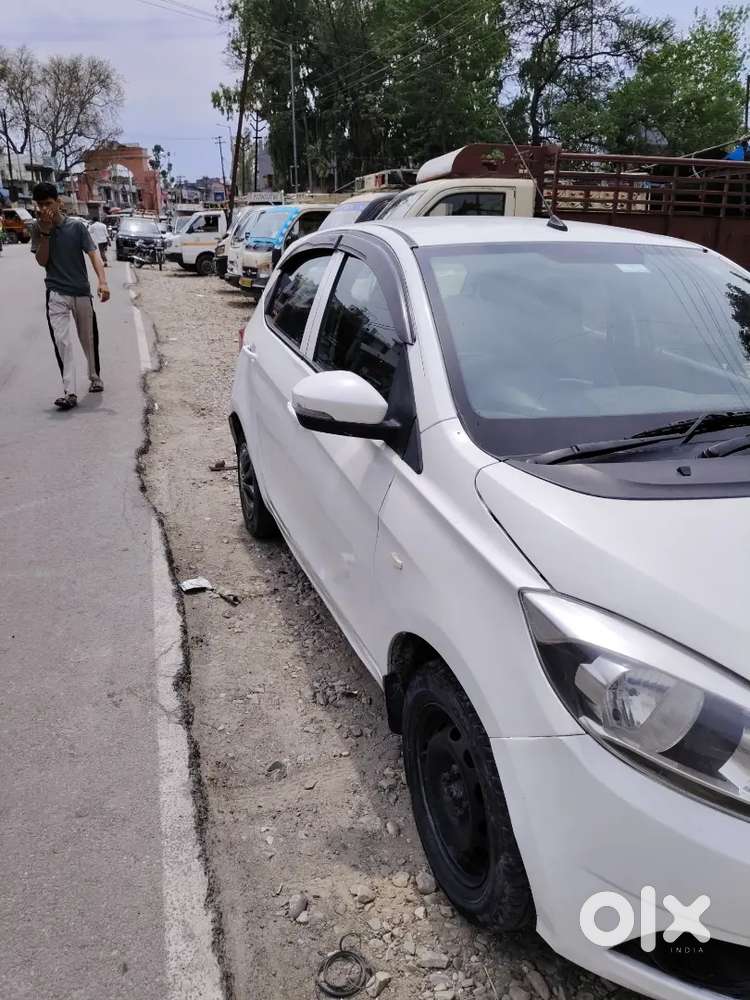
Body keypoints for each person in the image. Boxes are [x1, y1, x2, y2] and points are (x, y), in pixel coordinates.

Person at [31, 182, 110, 411]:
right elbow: (42, 261)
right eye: (40, 205)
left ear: (58, 203)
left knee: (88, 339)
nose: (44, 208)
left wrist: (103, 282)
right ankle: (70, 392)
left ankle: (94, 377)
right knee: (62, 342)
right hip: (56, 293)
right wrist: (45, 232)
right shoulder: (37, 228)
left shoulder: (76, 228)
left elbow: (94, 255)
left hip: (81, 292)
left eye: (48, 203)